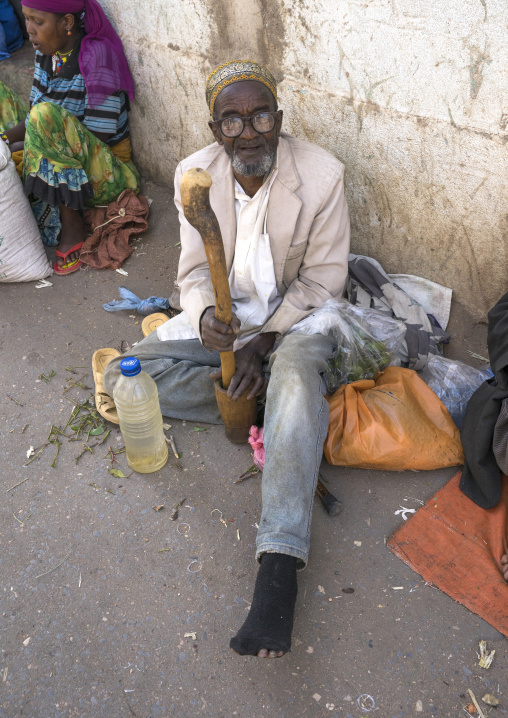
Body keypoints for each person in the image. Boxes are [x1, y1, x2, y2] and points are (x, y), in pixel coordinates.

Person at [103, 60, 351, 656]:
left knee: (292, 368)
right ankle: (286, 412)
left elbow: (323, 281)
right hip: (225, 323)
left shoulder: (321, 175)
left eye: (261, 115)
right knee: (123, 373)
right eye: (233, 121)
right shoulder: (195, 175)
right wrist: (208, 319)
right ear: (215, 129)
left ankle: (278, 569)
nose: (249, 132)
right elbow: (190, 274)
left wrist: (265, 344)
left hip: (295, 320)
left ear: (279, 119)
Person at [0, 0, 139, 275]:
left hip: (105, 171)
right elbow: (34, 112)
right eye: (27, 19)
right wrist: (5, 140)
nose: (30, 31)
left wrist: (29, 145)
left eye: (38, 22)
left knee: (43, 118)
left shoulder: (98, 55)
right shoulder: (46, 53)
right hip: (58, 150)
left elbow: (100, 134)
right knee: (26, 115)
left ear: (66, 23)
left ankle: (71, 220)